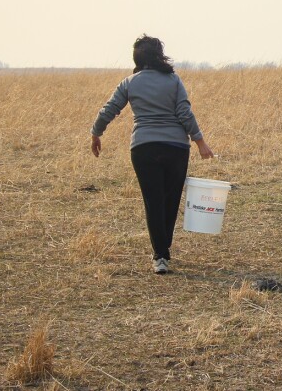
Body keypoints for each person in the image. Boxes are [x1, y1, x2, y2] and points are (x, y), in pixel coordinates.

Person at [90, 35, 214, 274]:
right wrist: (200, 142)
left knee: (152, 201)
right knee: (170, 199)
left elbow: (110, 109)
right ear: (159, 55)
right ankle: (163, 249)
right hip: (176, 148)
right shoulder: (173, 81)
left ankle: (160, 255)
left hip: (143, 148)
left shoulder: (129, 82)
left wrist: (96, 133)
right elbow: (184, 113)